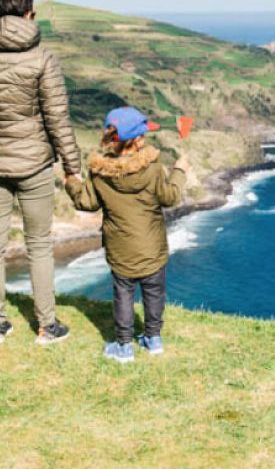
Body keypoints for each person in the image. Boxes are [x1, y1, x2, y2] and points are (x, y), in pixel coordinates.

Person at [0, 0, 81, 345]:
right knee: (39, 244)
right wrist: (73, 166)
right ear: (30, 14)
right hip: (34, 164)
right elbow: (58, 118)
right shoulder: (43, 59)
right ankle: (46, 326)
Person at [66, 107, 190, 362]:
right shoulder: (153, 169)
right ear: (138, 140)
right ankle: (153, 339)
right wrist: (179, 171)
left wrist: (72, 180)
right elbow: (171, 197)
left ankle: (124, 345)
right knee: (154, 292)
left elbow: (85, 203)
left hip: (120, 248)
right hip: (153, 247)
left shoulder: (99, 172)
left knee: (123, 295)